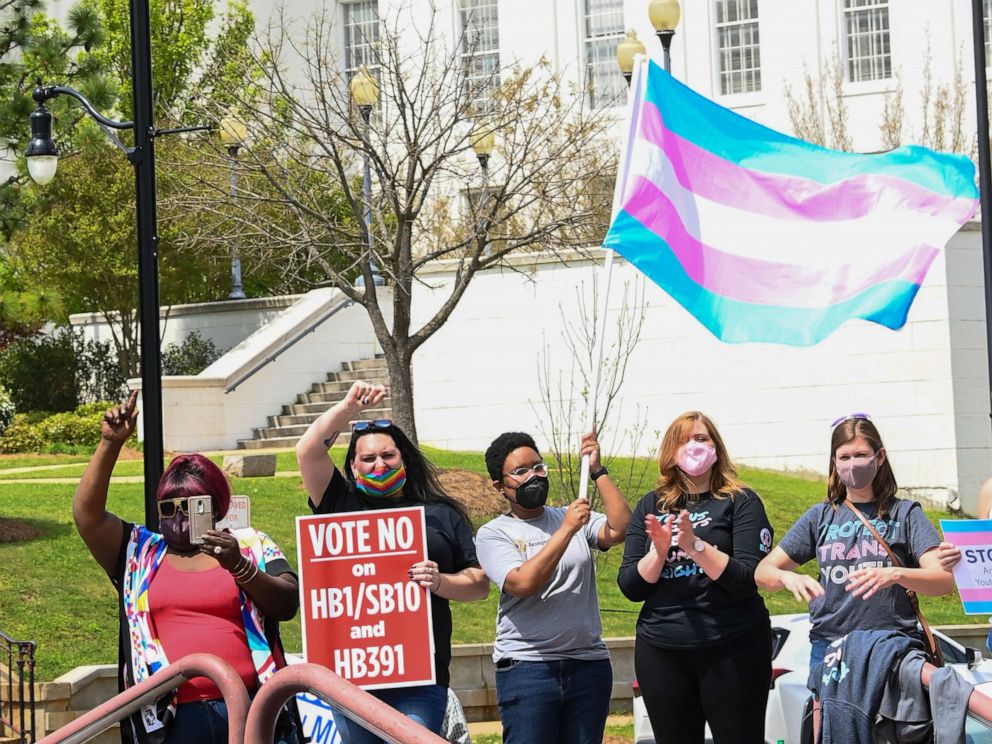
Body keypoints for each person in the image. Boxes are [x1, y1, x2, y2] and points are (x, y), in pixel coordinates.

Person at [73, 391, 300, 744]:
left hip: (250, 707)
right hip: (169, 719)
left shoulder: (251, 543)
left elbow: (287, 603)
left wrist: (239, 566)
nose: (179, 517)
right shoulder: (139, 552)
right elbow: (87, 515)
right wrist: (109, 443)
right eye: (168, 507)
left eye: (191, 505)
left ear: (215, 504)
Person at [295, 381, 488, 743]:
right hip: (351, 678)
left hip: (421, 676)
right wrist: (349, 408)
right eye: (368, 458)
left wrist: (440, 581)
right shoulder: (338, 501)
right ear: (352, 467)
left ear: (404, 459)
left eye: (388, 455)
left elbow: (479, 584)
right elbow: (307, 451)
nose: (379, 464)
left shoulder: (440, 515)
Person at [754, 413, 961, 739]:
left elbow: (943, 580)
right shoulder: (820, 517)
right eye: (845, 457)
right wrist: (788, 578)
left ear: (879, 456)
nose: (853, 464)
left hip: (894, 652)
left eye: (861, 455)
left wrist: (896, 574)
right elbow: (763, 572)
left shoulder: (905, 514)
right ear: (834, 463)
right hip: (832, 652)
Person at [617, 411, 774, 744]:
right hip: (663, 650)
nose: (694, 446)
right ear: (670, 453)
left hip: (734, 647)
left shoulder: (741, 501)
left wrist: (694, 545)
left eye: (701, 438)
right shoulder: (651, 504)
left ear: (716, 447)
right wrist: (658, 553)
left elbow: (746, 578)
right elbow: (630, 585)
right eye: (684, 440)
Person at [475, 429, 631, 744]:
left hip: (587, 665)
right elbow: (524, 583)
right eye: (520, 472)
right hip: (527, 669)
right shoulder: (493, 534)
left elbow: (622, 527)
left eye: (538, 467)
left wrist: (598, 470)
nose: (533, 476)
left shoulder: (569, 515)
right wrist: (566, 530)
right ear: (499, 486)